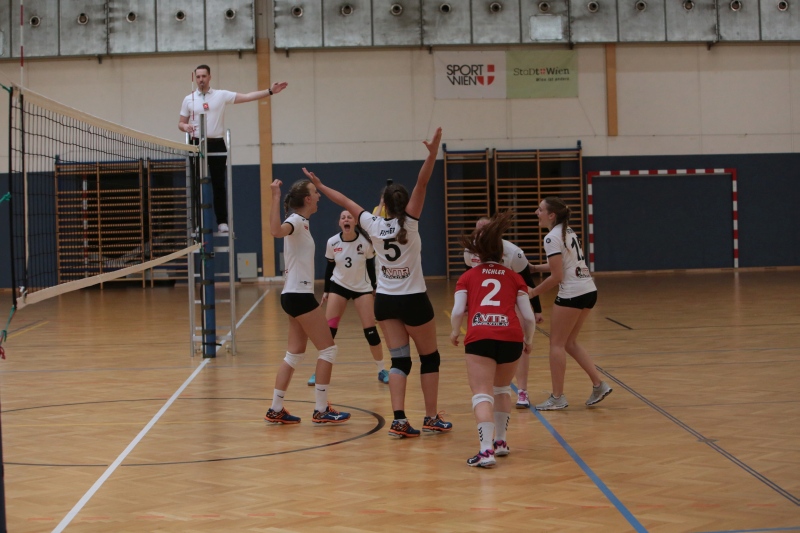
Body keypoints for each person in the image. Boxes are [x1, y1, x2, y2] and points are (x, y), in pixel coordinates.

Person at [302, 127, 453, 438]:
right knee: (430, 358)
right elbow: (422, 183)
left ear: (384, 205)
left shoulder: (372, 224)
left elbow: (345, 200)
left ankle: (399, 420)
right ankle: (430, 417)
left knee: (400, 360)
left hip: (385, 301)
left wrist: (320, 185)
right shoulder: (410, 222)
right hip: (413, 299)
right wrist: (431, 154)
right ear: (405, 204)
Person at [450, 211, 536, 468]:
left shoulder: (467, 276)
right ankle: (500, 442)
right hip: (511, 338)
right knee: (501, 390)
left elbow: (457, 311)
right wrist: (528, 340)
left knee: (481, 393)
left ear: (478, 253)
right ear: (502, 253)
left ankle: (485, 450)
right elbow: (528, 316)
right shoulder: (515, 277)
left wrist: (455, 332)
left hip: (480, 336)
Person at [263, 178, 351, 425]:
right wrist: (275, 196)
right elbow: (275, 231)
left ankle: (275, 409)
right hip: (299, 296)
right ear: (308, 199)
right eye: (315, 192)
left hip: (293, 295)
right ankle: (321, 410)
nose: (319, 196)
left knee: (294, 354)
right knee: (328, 350)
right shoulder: (295, 221)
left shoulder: (302, 222)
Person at [178, 64, 288, 233]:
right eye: (198, 77)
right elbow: (181, 123)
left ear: (209, 77)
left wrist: (270, 91)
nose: (201, 79)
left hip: (216, 143)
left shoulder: (221, 95)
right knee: (195, 185)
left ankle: (222, 222)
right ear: (195, 78)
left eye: (204, 76)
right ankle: (197, 224)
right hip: (196, 144)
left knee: (218, 184)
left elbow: (247, 96)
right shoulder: (188, 99)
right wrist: (185, 127)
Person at [529, 197, 612, 410]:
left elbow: (557, 276)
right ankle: (599, 384)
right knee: (569, 343)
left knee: (556, 344)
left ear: (551, 215)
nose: (536, 213)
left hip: (572, 293)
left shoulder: (551, 238)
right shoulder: (568, 232)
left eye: (540, 210)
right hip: (588, 290)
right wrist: (536, 268)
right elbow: (563, 266)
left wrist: (533, 293)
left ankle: (557, 397)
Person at [464, 217, 544, 409]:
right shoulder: (470, 251)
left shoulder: (513, 253)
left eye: (485, 232)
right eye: (478, 232)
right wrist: (467, 303)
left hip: (512, 299)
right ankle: (488, 389)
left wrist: (537, 309)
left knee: (521, 341)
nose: (480, 236)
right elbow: (468, 277)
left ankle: (522, 391)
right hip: (485, 303)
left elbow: (528, 283)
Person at [306, 210, 389, 386]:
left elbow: (370, 266)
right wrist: (326, 291)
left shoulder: (365, 243)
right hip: (339, 287)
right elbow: (329, 268)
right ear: (339, 223)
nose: (346, 219)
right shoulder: (332, 242)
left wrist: (375, 288)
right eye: (343, 217)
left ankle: (381, 369)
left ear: (355, 222)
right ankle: (318, 372)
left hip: (362, 289)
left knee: (371, 332)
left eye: (349, 217)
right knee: (328, 332)